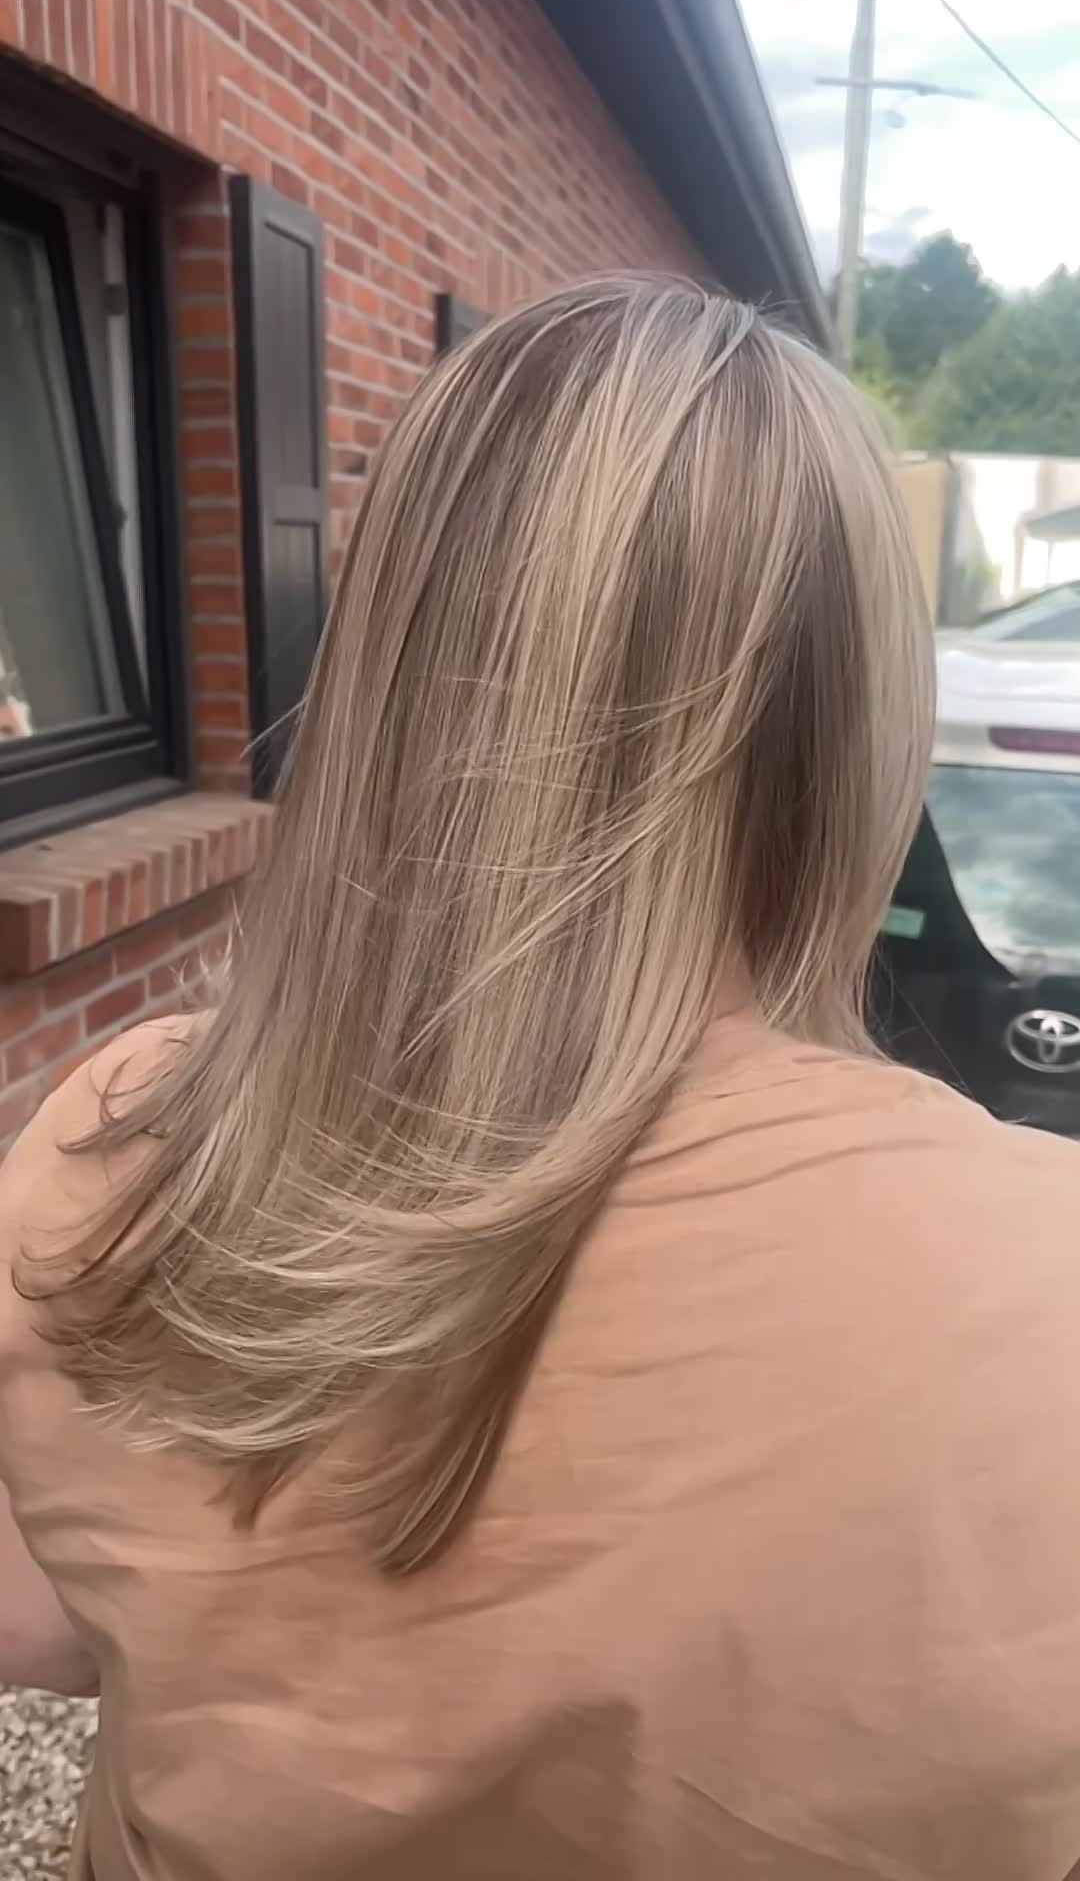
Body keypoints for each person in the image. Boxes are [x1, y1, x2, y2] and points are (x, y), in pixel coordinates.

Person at [2, 276, 1080, 1881]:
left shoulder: (114, 1138)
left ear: (392, 668)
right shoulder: (1041, 1277)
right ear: (856, 722)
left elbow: (39, 1626)